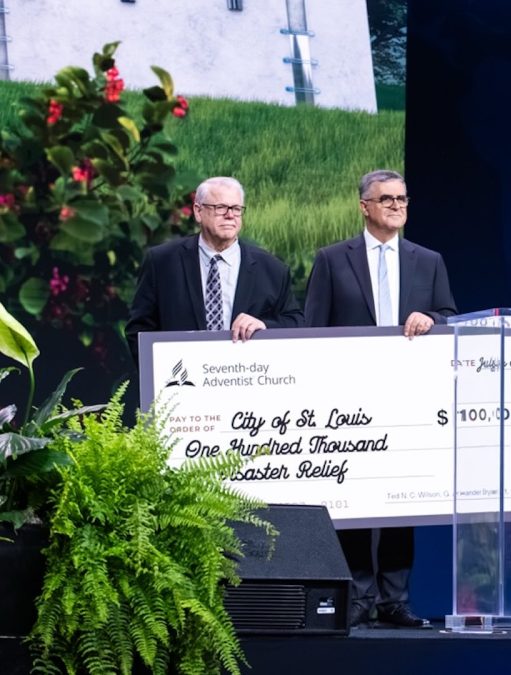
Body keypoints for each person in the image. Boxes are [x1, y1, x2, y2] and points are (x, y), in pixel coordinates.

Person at [305, 169, 456, 629]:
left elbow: (449, 315)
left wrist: (430, 317)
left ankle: (394, 599)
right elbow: (313, 327)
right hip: (347, 399)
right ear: (364, 206)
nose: (395, 205)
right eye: (385, 198)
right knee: (352, 500)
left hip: (406, 397)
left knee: (398, 499)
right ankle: (359, 596)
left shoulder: (428, 260)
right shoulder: (332, 260)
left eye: (402, 199)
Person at [126, 176, 303, 363]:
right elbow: (138, 330)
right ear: (198, 211)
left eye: (236, 208)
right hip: (182, 383)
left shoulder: (273, 269)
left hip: (247, 381)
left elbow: (296, 322)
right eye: (220, 208)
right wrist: (161, 378)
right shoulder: (162, 262)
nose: (230, 215)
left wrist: (264, 326)